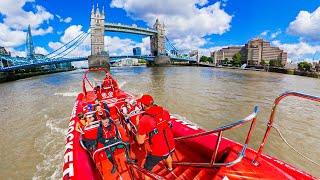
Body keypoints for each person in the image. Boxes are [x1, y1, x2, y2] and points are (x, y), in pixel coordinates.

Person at [136, 94, 175, 178]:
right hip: (171, 145)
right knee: (167, 155)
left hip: (158, 151)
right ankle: (170, 169)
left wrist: (137, 125)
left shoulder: (144, 120)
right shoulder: (165, 111)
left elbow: (140, 141)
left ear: (142, 105)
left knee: (147, 170)